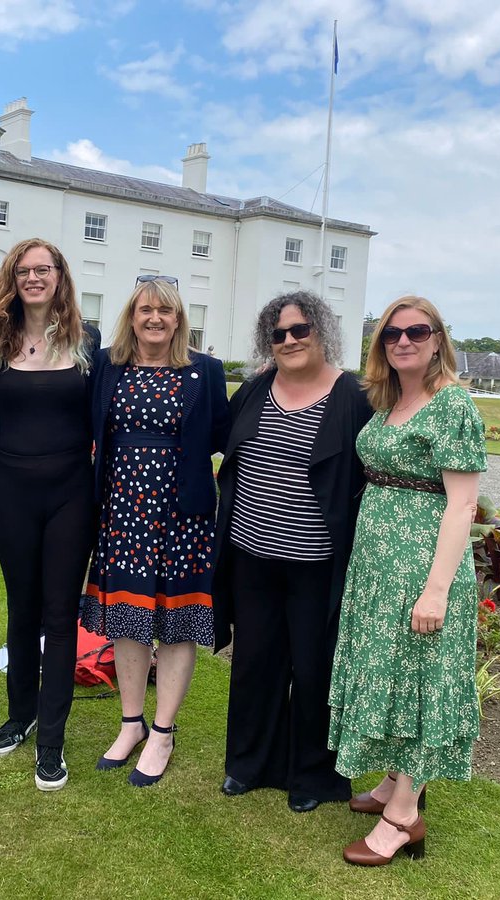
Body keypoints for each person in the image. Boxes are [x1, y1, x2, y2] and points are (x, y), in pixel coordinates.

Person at [328, 295, 486, 866]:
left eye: (417, 332)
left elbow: (463, 503)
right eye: (391, 333)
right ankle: (397, 780)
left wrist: (437, 589)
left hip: (422, 565)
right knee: (393, 670)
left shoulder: (453, 407)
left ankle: (404, 817)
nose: (403, 341)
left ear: (438, 339)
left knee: (421, 680)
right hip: (378, 565)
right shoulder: (391, 400)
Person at [211, 292, 373, 815]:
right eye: (278, 334)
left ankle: (312, 774)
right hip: (251, 556)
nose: (290, 341)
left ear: (322, 332)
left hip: (317, 563)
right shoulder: (257, 387)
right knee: (256, 663)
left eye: (300, 330)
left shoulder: (353, 396)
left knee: (314, 669)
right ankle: (249, 764)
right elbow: (223, 444)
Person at [81, 276, 228, 787]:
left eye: (165, 311)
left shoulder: (204, 371)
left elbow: (223, 434)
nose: (155, 319)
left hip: (182, 514)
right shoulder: (107, 365)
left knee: (179, 622)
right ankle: (131, 723)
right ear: (132, 315)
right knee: (127, 618)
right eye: (146, 310)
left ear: (178, 317)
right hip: (121, 511)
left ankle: (163, 730)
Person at [0, 238, 99, 792]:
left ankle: (51, 740)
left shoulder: (87, 341)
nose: (34, 278)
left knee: (57, 614)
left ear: (60, 275)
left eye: (44, 269)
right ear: (12, 278)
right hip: (15, 494)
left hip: (72, 494)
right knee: (20, 610)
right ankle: (19, 716)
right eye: (24, 271)